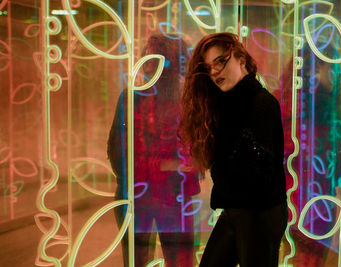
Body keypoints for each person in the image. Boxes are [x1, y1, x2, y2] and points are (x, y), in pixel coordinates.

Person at [178, 32, 288, 266]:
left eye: (220, 61)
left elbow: (257, 172)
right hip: (239, 210)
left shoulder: (261, 103)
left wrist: (223, 173)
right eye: (209, 67)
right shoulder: (227, 104)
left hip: (261, 213)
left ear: (241, 58)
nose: (214, 71)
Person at [107, 34, 200, 267]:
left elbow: (117, 150)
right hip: (153, 196)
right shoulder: (135, 98)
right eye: (148, 58)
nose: (151, 65)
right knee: (164, 260)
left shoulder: (186, 102)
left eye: (158, 59)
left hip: (153, 195)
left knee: (154, 260)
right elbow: (117, 150)